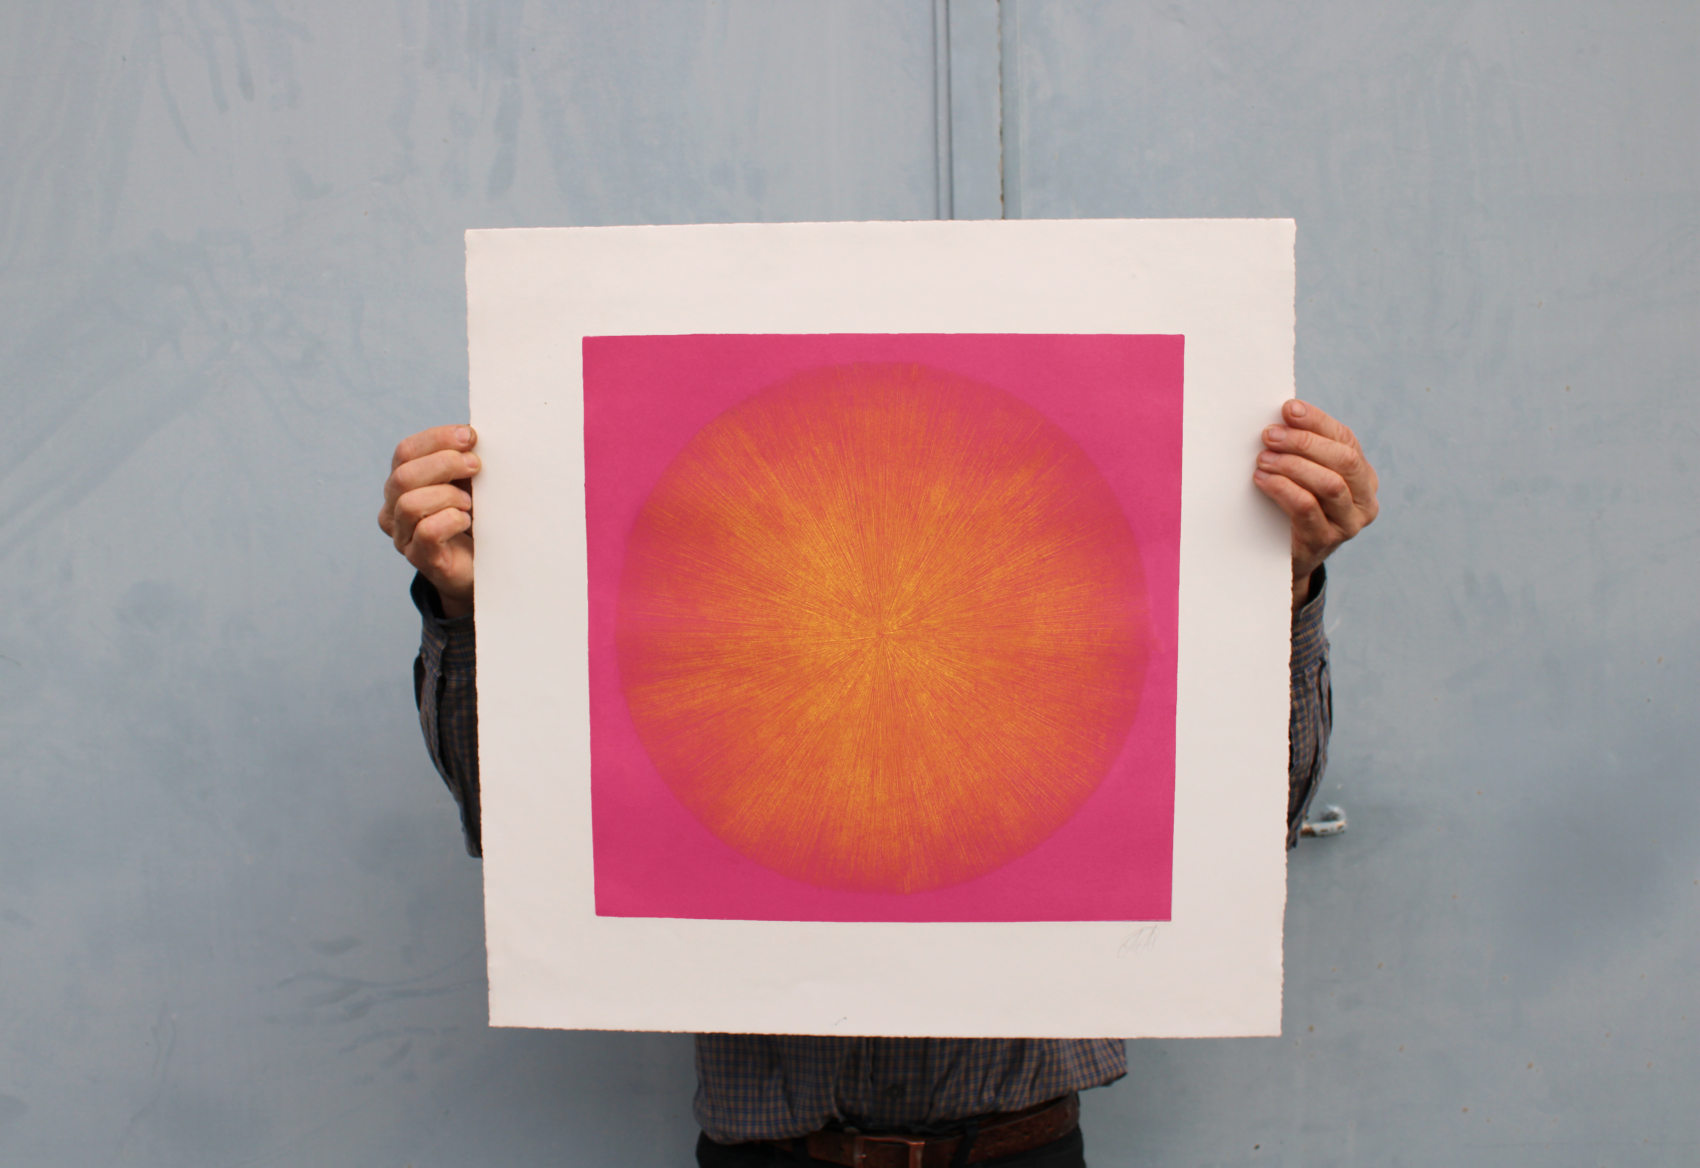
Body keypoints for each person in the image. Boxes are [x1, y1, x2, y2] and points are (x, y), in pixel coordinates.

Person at [378, 398, 1379, 1167]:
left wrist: (1277, 588)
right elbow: (520, 831)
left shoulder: (1060, 641)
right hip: (769, 1154)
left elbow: (1250, 823)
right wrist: (468, 612)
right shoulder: (709, 655)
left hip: (1020, 1147)